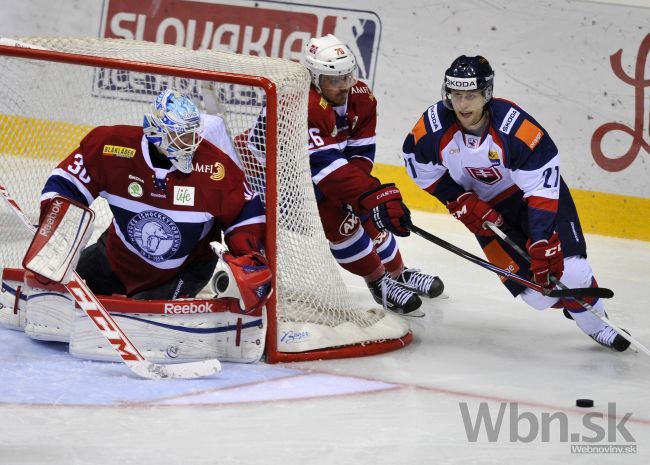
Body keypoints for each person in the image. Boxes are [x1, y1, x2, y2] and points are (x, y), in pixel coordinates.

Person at [401, 55, 629, 350]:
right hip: (487, 211)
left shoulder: (515, 128)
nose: (462, 105)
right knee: (536, 295)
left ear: (486, 94)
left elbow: (541, 189)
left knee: (571, 270)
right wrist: (457, 198)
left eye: (470, 96)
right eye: (456, 95)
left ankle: (595, 324)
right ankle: (575, 302)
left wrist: (542, 239)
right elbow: (419, 168)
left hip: (531, 199)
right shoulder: (433, 128)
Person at [36, 89, 269, 300]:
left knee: (141, 314)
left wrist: (248, 256)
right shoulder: (112, 148)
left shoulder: (215, 169)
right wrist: (57, 223)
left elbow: (244, 212)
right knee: (54, 289)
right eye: (183, 136)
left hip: (183, 271)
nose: (193, 143)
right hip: (116, 257)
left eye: (193, 134)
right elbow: (67, 182)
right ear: (157, 131)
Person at [299, 34, 444, 315]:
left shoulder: (361, 97)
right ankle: (379, 283)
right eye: (335, 79)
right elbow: (324, 165)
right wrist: (369, 195)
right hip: (281, 182)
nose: (345, 85)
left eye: (348, 76)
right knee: (343, 221)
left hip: (326, 174)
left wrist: (363, 197)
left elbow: (361, 152)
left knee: (366, 210)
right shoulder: (303, 105)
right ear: (315, 79)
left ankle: (398, 274)